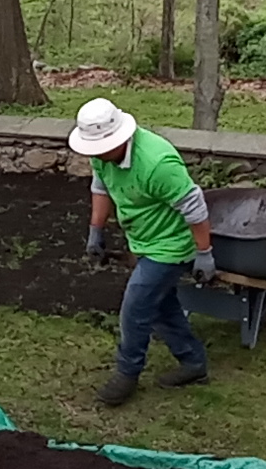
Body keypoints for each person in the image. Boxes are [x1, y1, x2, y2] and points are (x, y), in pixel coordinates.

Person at [68, 97, 215, 404]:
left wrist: (204, 253)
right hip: (143, 240)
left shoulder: (158, 164)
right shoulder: (103, 154)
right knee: (161, 306)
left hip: (172, 244)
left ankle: (127, 373)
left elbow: (195, 206)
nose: (95, 155)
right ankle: (193, 362)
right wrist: (96, 231)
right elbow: (101, 187)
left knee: (135, 308)